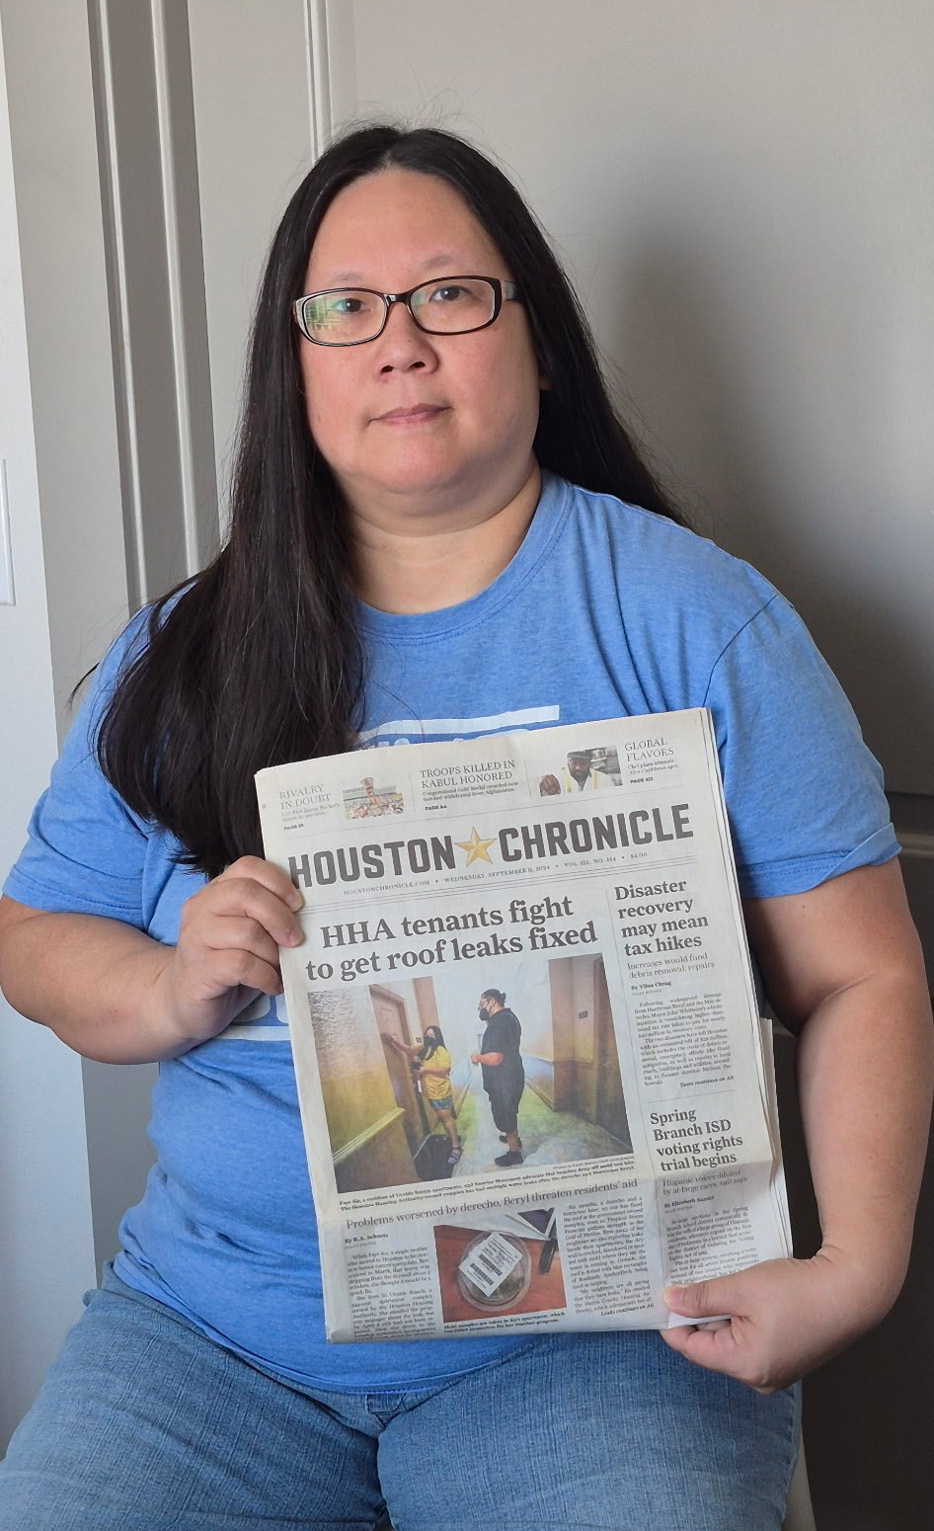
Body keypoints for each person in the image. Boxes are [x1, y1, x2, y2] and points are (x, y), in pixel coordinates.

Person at [0, 122, 930, 1531]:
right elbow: (32, 935)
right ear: (295, 361)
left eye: (449, 293)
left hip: (603, 1337)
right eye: (345, 308)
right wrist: (166, 980)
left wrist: (854, 1265)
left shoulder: (692, 617)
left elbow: (860, 970)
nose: (399, 343)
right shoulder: (187, 651)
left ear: (535, 339)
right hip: (217, 1337)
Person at [385, 1024, 462, 1164]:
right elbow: (408, 1050)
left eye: (431, 1035)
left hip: (441, 1090)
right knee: (442, 1117)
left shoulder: (440, 1050)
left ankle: (456, 1147)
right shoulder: (423, 1049)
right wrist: (393, 1041)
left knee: (446, 1118)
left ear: (437, 1037)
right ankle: (450, 1137)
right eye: (426, 1035)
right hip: (431, 1092)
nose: (428, 1037)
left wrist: (424, 1070)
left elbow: (445, 1069)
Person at [470, 988, 525, 1165]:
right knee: (510, 1111)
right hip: (512, 1075)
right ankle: (514, 1137)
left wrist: (477, 1057)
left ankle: (514, 1153)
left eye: (481, 1006)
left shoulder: (498, 1023)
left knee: (505, 1114)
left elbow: (495, 1058)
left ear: (492, 1001)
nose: (480, 1010)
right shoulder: (510, 1018)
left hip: (503, 1081)